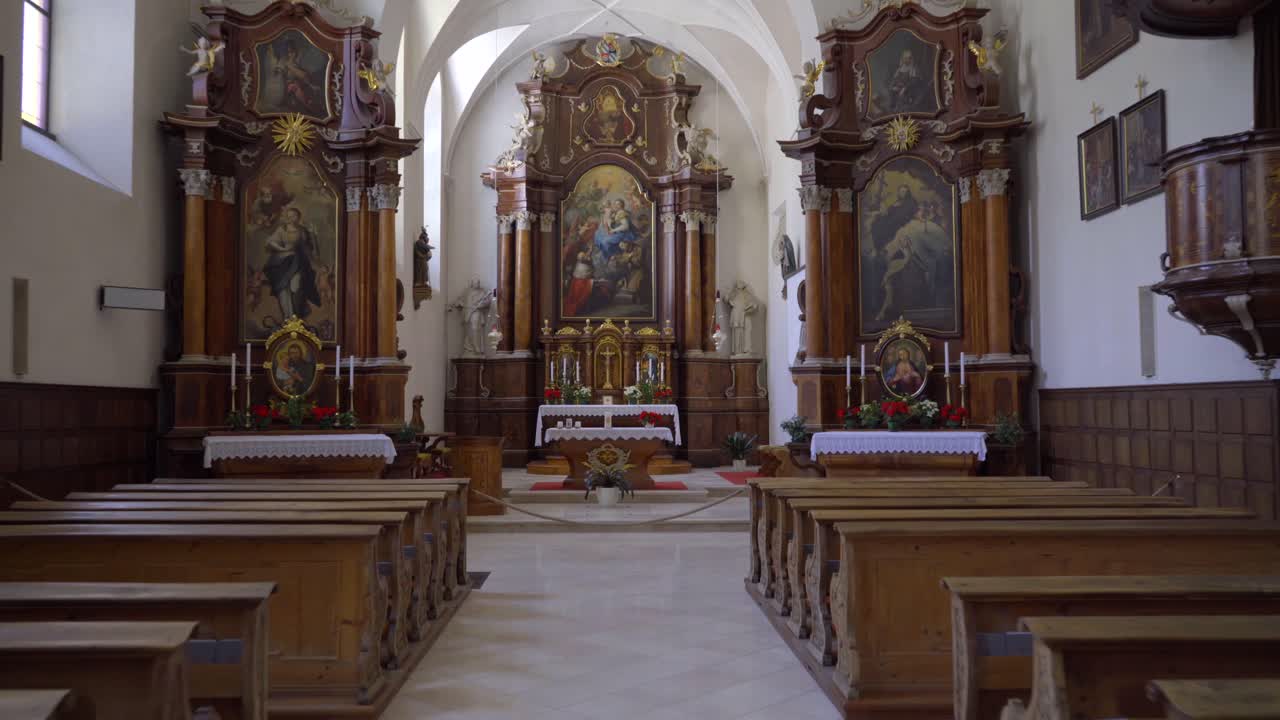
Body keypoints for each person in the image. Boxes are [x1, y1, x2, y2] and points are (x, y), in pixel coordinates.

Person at [263, 207, 322, 321]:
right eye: (289, 216)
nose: (290, 218)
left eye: (293, 215)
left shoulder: (303, 231)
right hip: (281, 263)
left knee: (296, 286)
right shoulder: (282, 229)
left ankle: (296, 315)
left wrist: (313, 235)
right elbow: (270, 242)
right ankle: (288, 318)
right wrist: (282, 249)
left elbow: (310, 249)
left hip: (298, 262)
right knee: (283, 289)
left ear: (298, 217)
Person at [564, 251, 596, 316]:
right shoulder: (581, 256)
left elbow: (590, 264)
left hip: (584, 278)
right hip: (580, 279)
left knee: (581, 296)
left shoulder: (588, 258)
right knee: (576, 296)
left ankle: (580, 308)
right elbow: (582, 258)